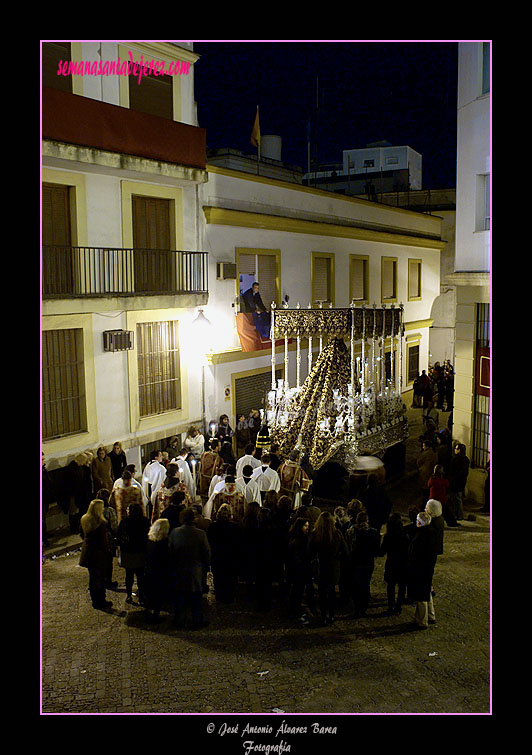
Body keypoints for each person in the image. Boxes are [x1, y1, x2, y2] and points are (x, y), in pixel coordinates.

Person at [168, 506, 211, 629]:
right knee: (196, 598)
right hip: (195, 570)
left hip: (179, 569)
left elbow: (170, 551)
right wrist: (206, 567)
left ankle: (179, 620)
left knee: (179, 597)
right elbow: (206, 552)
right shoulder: (200, 534)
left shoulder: (175, 533)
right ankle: (197, 621)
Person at [308, 511, 348, 626]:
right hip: (333, 567)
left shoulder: (316, 534)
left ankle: (323, 615)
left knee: (321, 592)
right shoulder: (337, 534)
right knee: (331, 591)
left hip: (321, 567)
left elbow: (309, 551)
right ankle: (331, 615)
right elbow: (345, 552)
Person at [79, 499, 113, 610]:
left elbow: (82, 534)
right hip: (98, 555)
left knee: (93, 578)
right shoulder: (101, 523)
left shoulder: (85, 519)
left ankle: (95, 600)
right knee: (100, 578)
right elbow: (104, 541)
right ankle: (101, 600)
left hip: (88, 552)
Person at [407, 510, 439, 629]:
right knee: (427, 591)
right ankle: (431, 615)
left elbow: (414, 555)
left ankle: (421, 621)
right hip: (428, 568)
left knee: (421, 596)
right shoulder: (432, 533)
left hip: (420, 569)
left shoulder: (420, 537)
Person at [345, 510, 380, 619]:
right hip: (368, 562)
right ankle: (364, 609)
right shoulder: (373, 532)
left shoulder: (351, 531)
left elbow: (348, 546)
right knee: (365, 584)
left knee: (355, 585)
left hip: (355, 561)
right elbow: (376, 549)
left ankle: (356, 609)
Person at [207, 503, 242, 604]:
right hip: (231, 558)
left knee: (218, 577)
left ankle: (220, 596)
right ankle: (229, 596)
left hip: (217, 557)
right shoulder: (235, 527)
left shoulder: (213, 527)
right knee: (230, 578)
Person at [117, 502, 150, 605]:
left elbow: (119, 536)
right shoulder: (145, 521)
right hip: (141, 551)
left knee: (129, 575)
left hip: (128, 552)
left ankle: (129, 595)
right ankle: (142, 596)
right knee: (141, 575)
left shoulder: (125, 522)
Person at [286, 517, 316, 623]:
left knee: (297, 589)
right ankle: (295, 610)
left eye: (308, 526)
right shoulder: (301, 540)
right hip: (300, 568)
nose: (307, 528)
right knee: (298, 590)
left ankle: (294, 608)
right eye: (305, 526)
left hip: (296, 568)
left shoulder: (293, 537)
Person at [379, 512, 409, 615]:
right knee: (402, 586)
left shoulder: (388, 536)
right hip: (403, 563)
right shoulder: (405, 535)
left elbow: (382, 552)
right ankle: (398, 606)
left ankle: (391, 605)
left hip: (392, 563)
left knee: (391, 585)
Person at [144, 518, 171, 624]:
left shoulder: (150, 541)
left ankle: (148, 613)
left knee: (151, 594)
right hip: (160, 572)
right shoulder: (163, 543)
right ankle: (155, 616)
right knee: (158, 595)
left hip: (149, 571)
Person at [95, 488, 118, 590]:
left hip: (97, 540)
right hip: (107, 539)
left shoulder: (93, 510)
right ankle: (108, 581)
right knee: (108, 562)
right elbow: (114, 526)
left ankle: (100, 581)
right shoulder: (109, 511)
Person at [142, 451, 167, 520]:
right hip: (156, 490)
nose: (162, 457)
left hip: (148, 489)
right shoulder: (161, 468)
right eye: (160, 455)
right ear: (156, 457)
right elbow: (163, 481)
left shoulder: (148, 465)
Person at [448, 442, 470, 521]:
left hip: (456, 482)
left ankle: (458, 514)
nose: (455, 450)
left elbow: (456, 472)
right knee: (457, 498)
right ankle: (457, 514)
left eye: (456, 449)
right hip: (460, 482)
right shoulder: (465, 460)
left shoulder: (457, 460)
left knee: (457, 499)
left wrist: (452, 478)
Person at [417, 440, 438, 505]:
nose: (423, 447)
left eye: (423, 446)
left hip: (424, 473)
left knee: (424, 491)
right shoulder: (434, 454)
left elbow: (418, 462)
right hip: (431, 473)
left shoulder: (424, 454)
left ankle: (424, 504)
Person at [42, 453, 56, 547]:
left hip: (45, 498)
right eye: (42, 459)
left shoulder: (43, 469)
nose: (44, 461)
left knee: (44, 518)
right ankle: (43, 538)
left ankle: (45, 534)